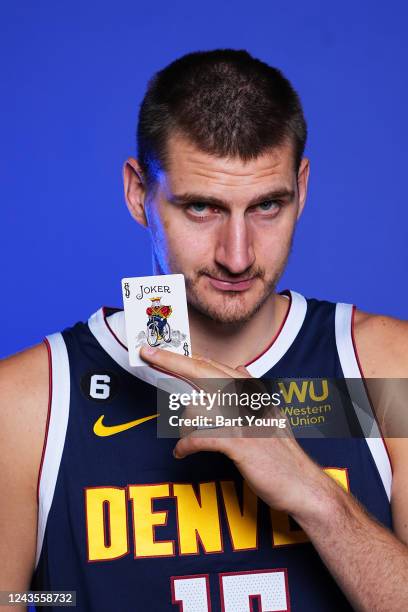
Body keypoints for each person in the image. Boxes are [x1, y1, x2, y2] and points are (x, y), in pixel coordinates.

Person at [1, 48, 408, 612]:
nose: (237, 256)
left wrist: (315, 496)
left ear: (302, 187)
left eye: (267, 205)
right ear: (138, 192)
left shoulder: (388, 373)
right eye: (202, 208)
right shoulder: (25, 406)